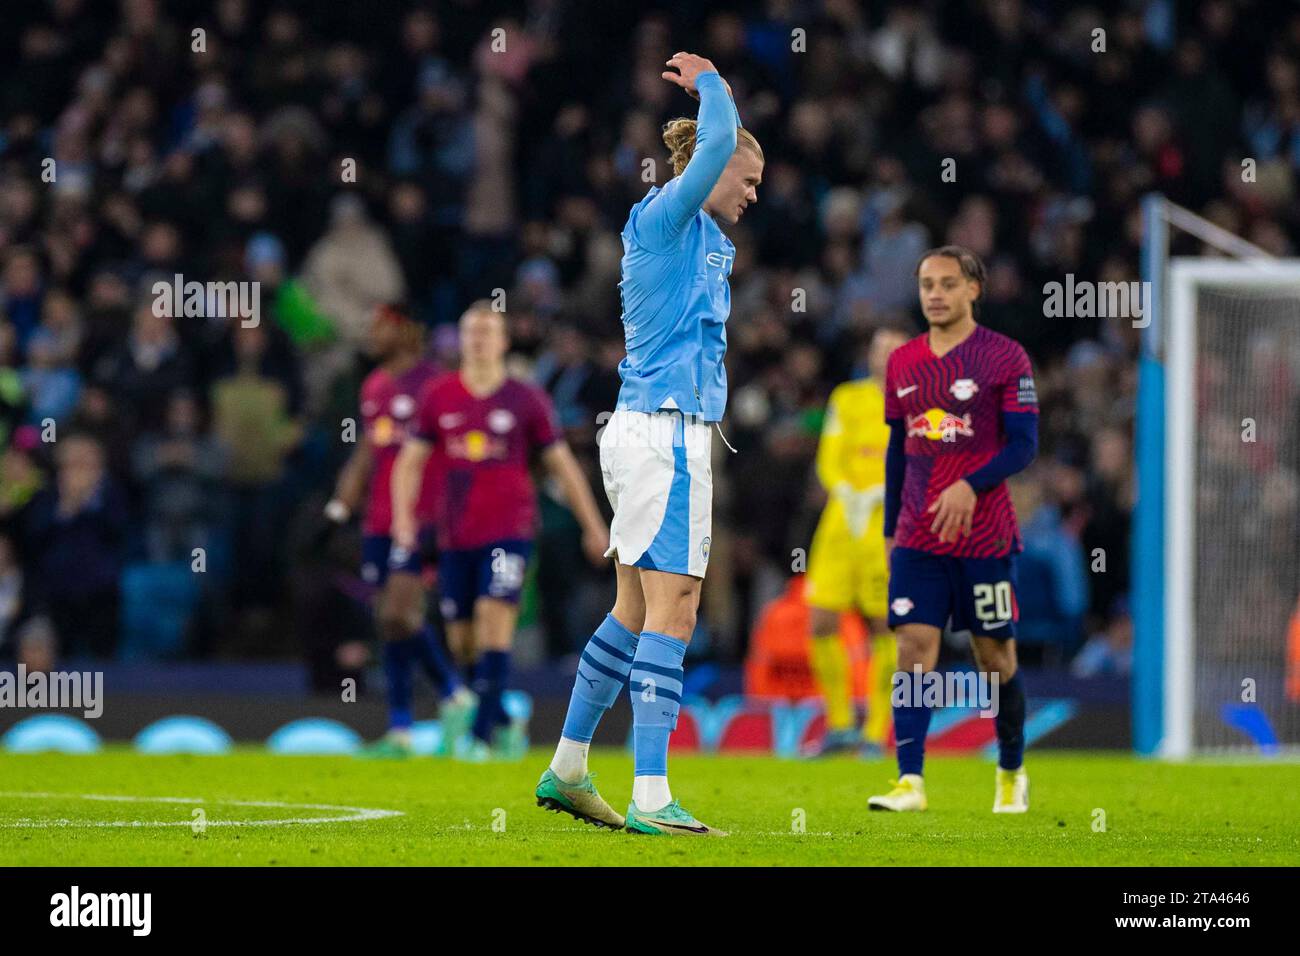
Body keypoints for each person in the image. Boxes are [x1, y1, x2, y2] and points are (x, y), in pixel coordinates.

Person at [535, 52, 762, 835]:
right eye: (747, 177)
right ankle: (653, 794)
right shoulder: (664, 216)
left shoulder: (709, 242)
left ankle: (567, 767)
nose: (752, 193)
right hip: (662, 435)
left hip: (658, 433)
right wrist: (713, 84)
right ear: (713, 163)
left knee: (633, 609)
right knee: (678, 606)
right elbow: (720, 134)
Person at [391, 302, 608, 760]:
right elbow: (408, 463)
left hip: (509, 532)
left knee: (495, 622)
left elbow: (562, 466)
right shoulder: (439, 396)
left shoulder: (526, 399)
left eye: (488, 331)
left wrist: (594, 526)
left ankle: (481, 737)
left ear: (505, 342)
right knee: (462, 639)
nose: (479, 339)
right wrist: (405, 520)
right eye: (471, 331)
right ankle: (505, 720)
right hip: (455, 536)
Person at [868, 246, 1038, 813]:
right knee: (913, 648)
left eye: (946, 284)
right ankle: (910, 779)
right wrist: (893, 529)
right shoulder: (904, 362)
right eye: (925, 285)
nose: (934, 295)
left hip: (986, 537)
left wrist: (971, 484)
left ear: (973, 289)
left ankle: (1011, 768)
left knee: (995, 658)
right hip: (918, 536)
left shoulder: (1005, 357)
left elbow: (1024, 445)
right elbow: (898, 449)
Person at [325, 303, 473, 757]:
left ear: (405, 330)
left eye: (381, 327)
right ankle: (416, 719)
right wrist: (341, 501)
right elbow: (370, 449)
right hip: (377, 520)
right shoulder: (374, 386)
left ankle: (433, 705)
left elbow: (454, 452)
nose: (372, 335)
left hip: (419, 519)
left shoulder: (435, 384)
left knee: (395, 614)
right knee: (392, 621)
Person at [804, 327, 908, 757]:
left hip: (889, 527)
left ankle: (876, 733)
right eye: (878, 348)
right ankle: (842, 724)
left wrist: (890, 491)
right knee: (821, 622)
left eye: (893, 350)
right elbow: (829, 454)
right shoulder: (846, 398)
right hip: (842, 523)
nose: (883, 356)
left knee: (886, 627)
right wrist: (844, 489)